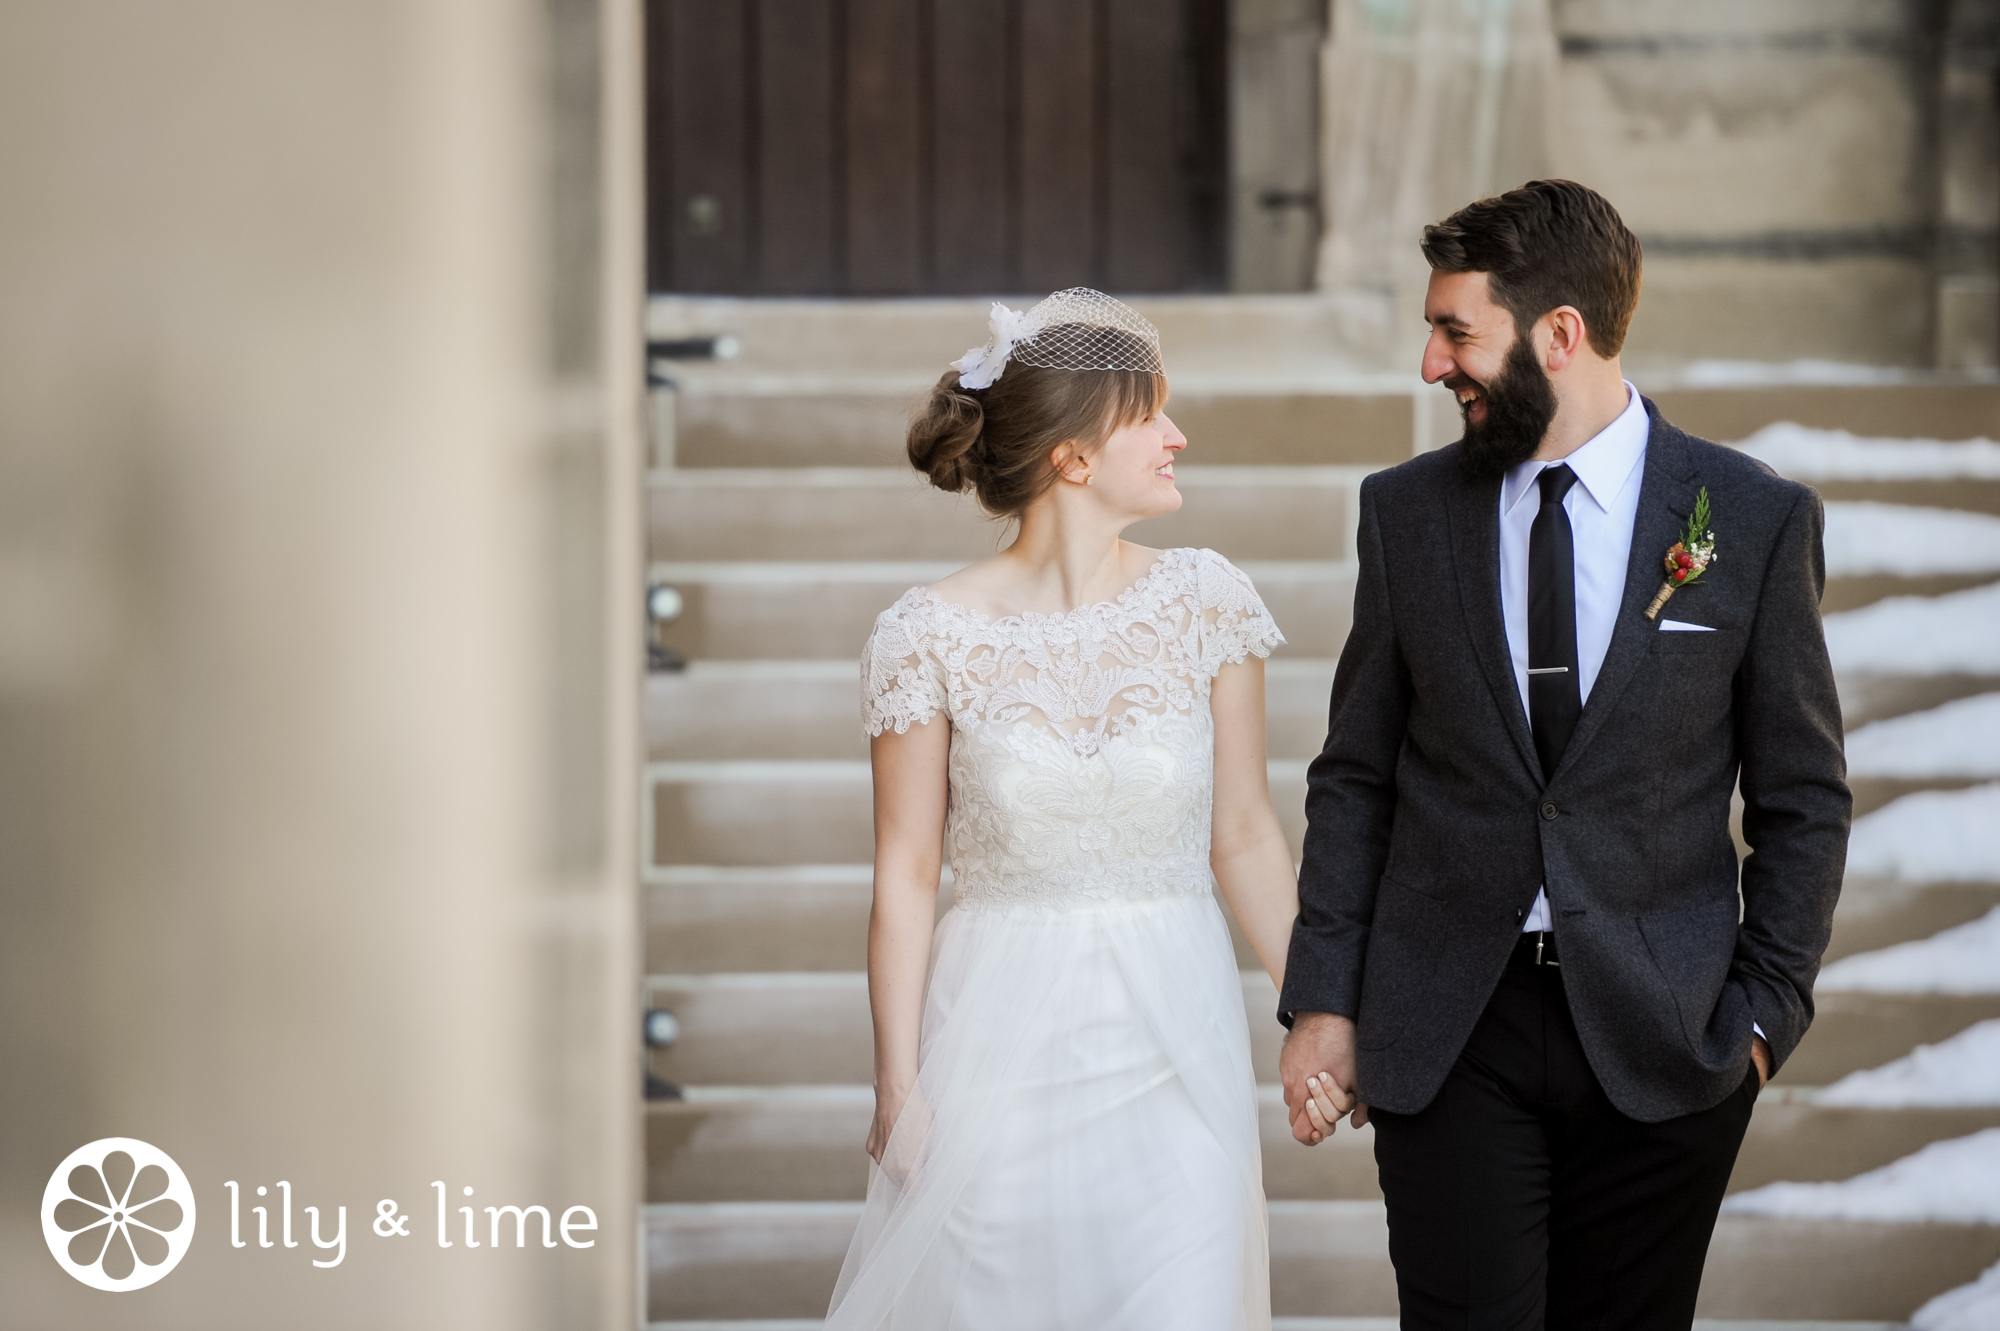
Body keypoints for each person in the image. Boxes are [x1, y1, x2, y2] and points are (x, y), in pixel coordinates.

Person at [1279, 181, 1851, 1329]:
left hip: (1663, 1039)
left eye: (1454, 331)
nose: (1430, 364)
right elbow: (1355, 774)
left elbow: (1801, 794)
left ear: (1558, 333)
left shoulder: (1746, 517)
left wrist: (1758, 1016)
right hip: (1450, 1027)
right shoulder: (1404, 512)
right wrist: (1322, 998)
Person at [830, 289, 1300, 1330]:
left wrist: (1314, 1008)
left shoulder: (1204, 600)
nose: (1177, 437)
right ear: (1072, 458)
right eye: (1150, 415)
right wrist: (897, 1083)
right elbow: (905, 870)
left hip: (1174, 1045)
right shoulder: (925, 635)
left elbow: (1244, 832)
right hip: (996, 1050)